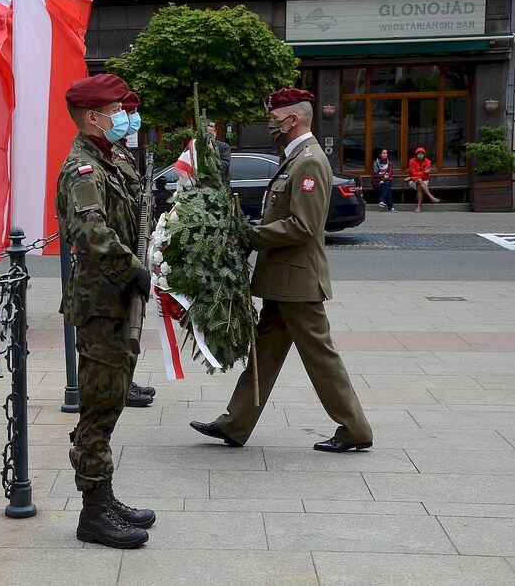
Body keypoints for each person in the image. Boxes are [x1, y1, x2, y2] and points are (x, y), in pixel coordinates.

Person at [190, 88, 373, 453]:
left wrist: (250, 235)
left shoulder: (309, 161)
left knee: (321, 357)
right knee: (265, 354)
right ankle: (235, 424)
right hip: (284, 281)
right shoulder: (295, 158)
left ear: (293, 119)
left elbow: (303, 226)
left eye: (274, 119)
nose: (270, 124)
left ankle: (355, 430)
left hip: (298, 282)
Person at [56, 74, 155, 549]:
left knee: (111, 402)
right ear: (93, 116)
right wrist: (135, 270)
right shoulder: (83, 170)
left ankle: (106, 496)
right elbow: (92, 236)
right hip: (101, 304)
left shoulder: (112, 159)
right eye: (118, 110)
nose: (126, 117)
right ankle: (94, 512)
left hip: (118, 300)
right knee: (98, 409)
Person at [115, 91, 156, 408]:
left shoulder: (123, 152)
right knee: (120, 324)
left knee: (129, 319)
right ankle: (120, 385)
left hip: (131, 247)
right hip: (120, 253)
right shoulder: (113, 155)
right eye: (129, 114)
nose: (132, 120)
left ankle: (125, 380)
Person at [407, 146, 440, 213]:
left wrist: (415, 176)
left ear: (424, 154)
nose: (420, 155)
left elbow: (423, 176)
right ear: (416, 154)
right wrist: (424, 172)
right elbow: (413, 173)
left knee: (420, 187)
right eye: (419, 153)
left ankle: (418, 208)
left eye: (422, 153)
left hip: (424, 180)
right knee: (419, 180)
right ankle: (430, 196)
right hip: (413, 181)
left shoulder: (428, 162)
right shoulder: (411, 161)